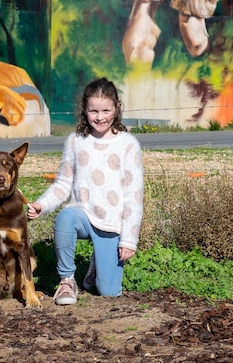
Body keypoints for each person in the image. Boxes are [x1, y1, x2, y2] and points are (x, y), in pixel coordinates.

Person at [27, 77, 144, 304]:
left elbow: (133, 196)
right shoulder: (75, 141)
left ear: (117, 108)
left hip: (111, 222)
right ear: (84, 110)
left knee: (108, 291)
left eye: (105, 110)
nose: (100, 117)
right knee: (65, 218)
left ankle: (96, 266)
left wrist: (129, 239)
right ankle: (67, 280)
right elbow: (63, 184)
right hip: (82, 214)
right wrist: (42, 205)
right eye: (94, 111)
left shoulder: (128, 144)